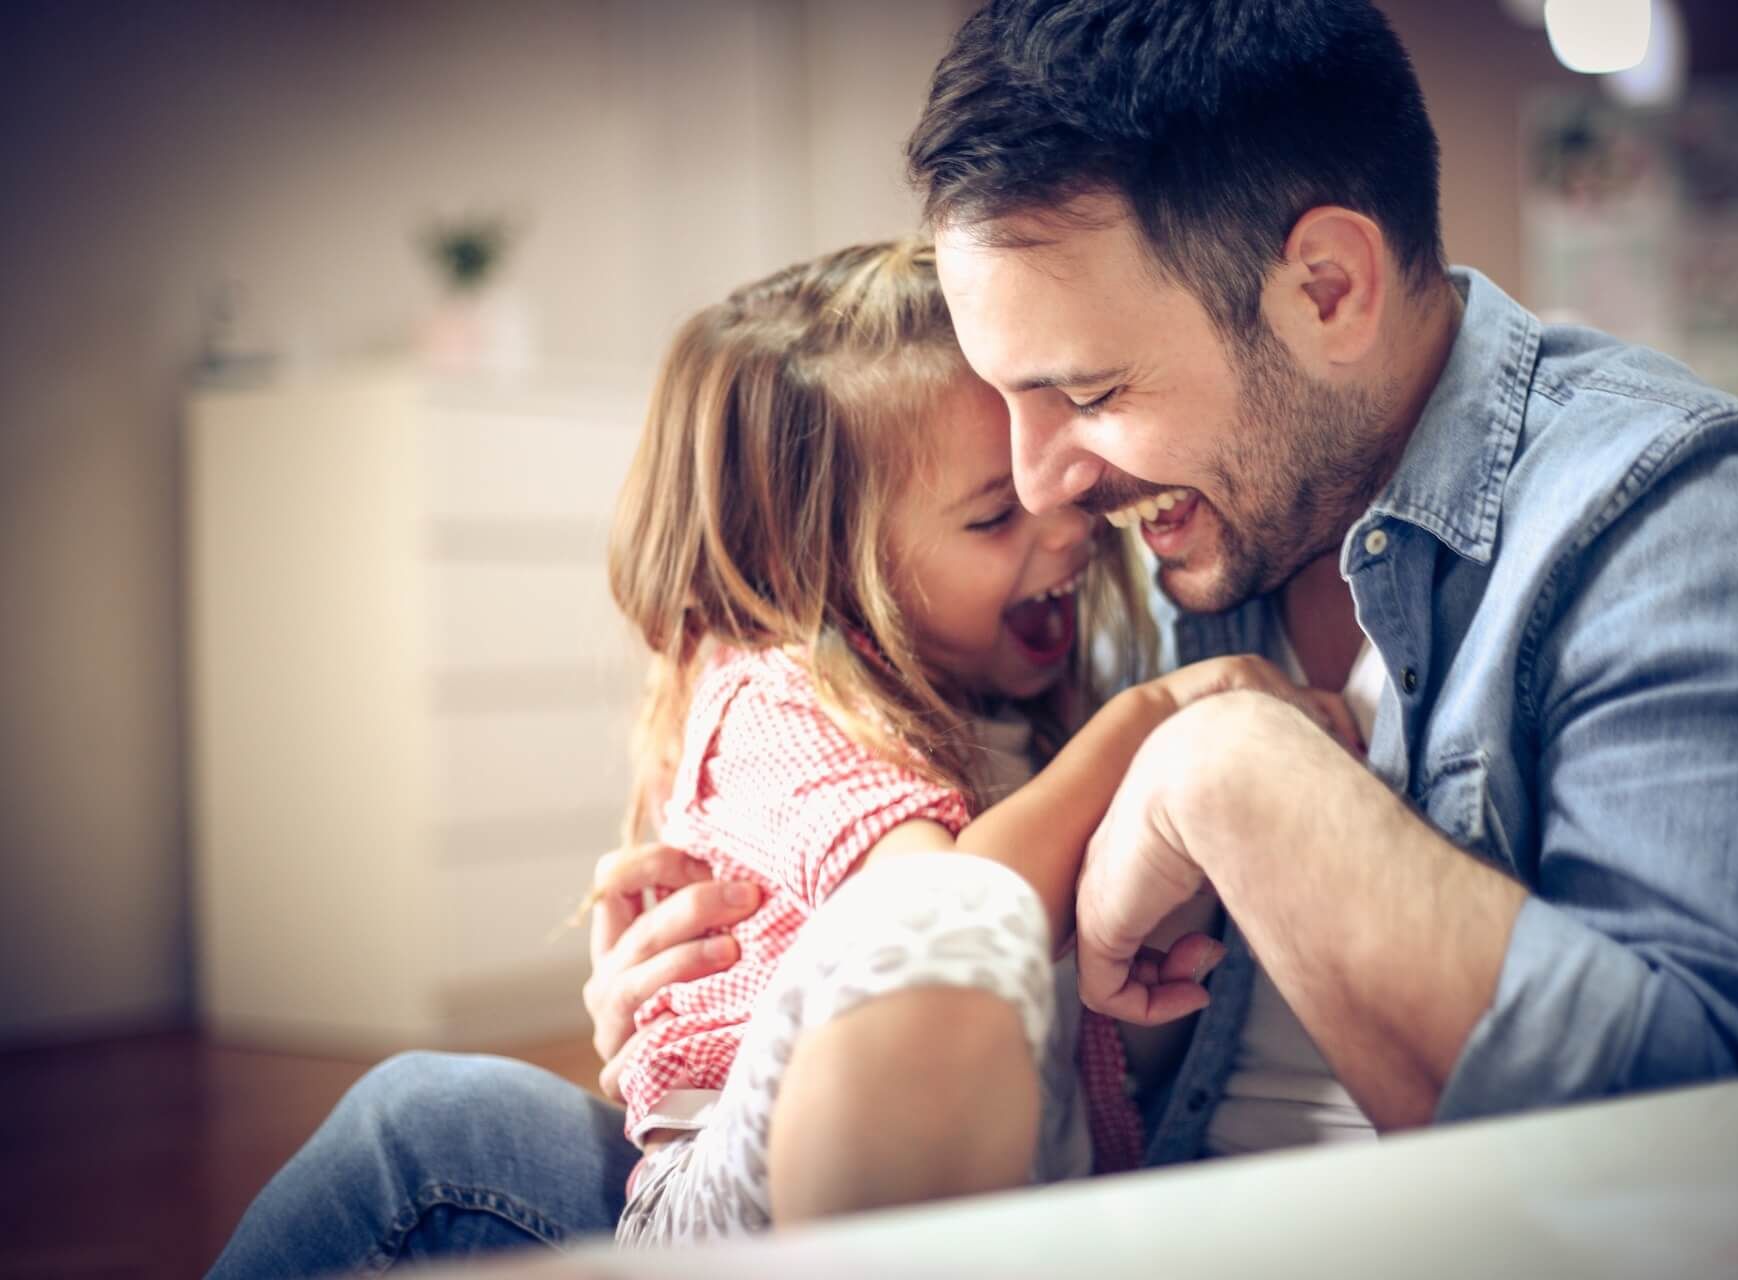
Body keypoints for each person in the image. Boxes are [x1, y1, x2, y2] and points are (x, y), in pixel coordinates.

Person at [208, 238, 1353, 1273]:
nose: (1065, 523)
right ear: (826, 567)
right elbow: (936, 914)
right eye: (992, 515)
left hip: (1023, 1189)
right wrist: (1156, 719)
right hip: (726, 1212)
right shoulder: (777, 698)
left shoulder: (1033, 691)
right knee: (420, 1120)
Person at [901, 0, 1738, 1142]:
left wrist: (1233, 774)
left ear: (1328, 290)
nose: (1039, 486)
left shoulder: (1704, 527)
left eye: (1091, 393)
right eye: (1010, 400)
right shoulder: (1148, 547)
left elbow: (1714, 1154)